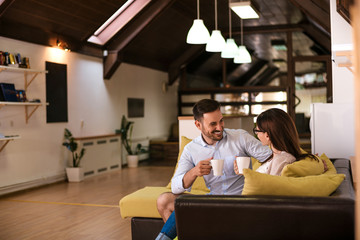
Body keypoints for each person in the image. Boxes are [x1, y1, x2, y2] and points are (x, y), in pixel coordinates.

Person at [155, 99, 272, 240]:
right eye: (213, 124)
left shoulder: (240, 137)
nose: (220, 127)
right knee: (164, 200)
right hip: (212, 201)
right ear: (198, 125)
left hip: (241, 201)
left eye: (221, 121)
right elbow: (175, 187)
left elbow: (271, 158)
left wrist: (250, 174)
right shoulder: (191, 149)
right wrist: (194, 172)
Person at [234, 108, 317, 176]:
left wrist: (248, 175)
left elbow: (268, 187)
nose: (257, 134)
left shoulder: (282, 159)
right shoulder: (274, 156)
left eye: (257, 130)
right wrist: (245, 173)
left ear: (267, 135)